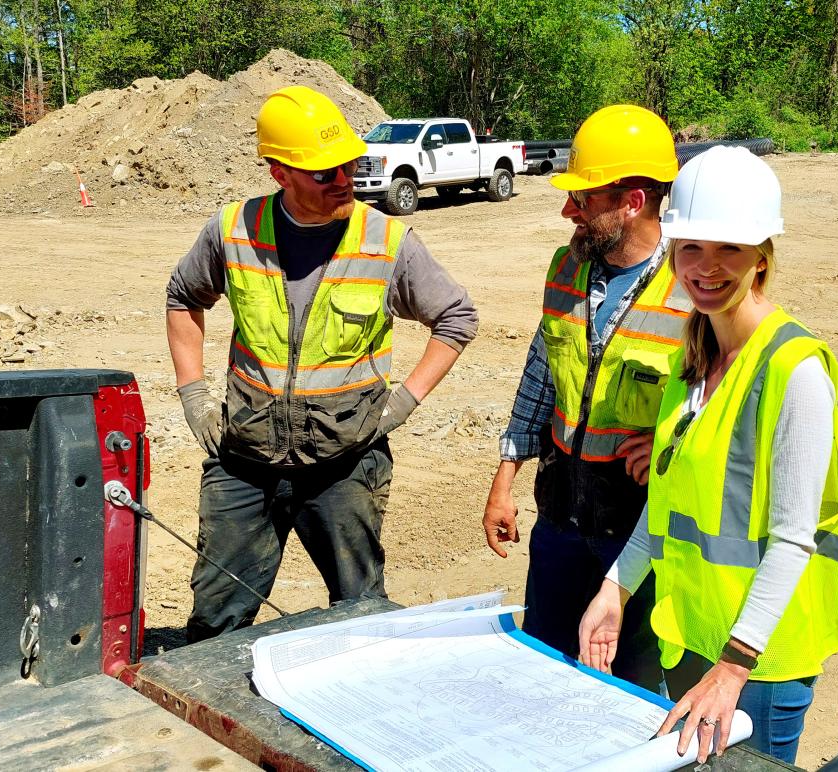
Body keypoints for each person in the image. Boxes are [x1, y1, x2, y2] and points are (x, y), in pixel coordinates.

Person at [576, 146, 838, 764]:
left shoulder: (795, 369)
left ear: (763, 255)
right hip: (693, 638)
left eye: (728, 248)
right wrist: (614, 591)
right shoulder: (692, 361)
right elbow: (668, 506)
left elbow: (793, 539)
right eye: (691, 248)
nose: (706, 267)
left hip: (758, 663)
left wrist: (734, 667)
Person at [166, 86, 477, 642]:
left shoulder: (387, 241)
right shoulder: (233, 229)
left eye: (350, 166)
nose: (345, 180)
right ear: (280, 172)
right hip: (245, 459)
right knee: (215, 620)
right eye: (325, 172)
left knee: (360, 613)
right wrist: (192, 394)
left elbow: (455, 318)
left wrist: (401, 404)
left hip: (345, 461)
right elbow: (184, 297)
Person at [481, 105, 688, 692]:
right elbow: (540, 374)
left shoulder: (690, 285)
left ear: (632, 202)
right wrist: (504, 480)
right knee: (543, 673)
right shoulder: (568, 266)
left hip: (638, 532)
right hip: (559, 519)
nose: (567, 210)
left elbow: (723, 400)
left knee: (632, 692)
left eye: (583, 198)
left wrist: (676, 441)